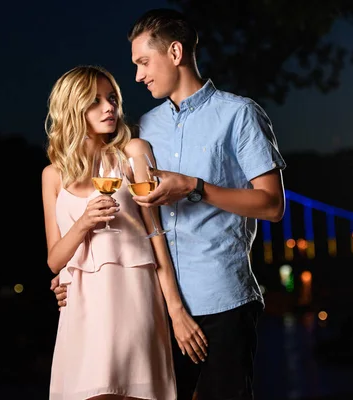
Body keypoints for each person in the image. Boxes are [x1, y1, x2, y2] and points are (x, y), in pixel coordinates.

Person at [53, 9, 288, 400]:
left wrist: (194, 187)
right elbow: (129, 220)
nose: (138, 76)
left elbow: (272, 205)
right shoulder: (142, 129)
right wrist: (70, 277)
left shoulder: (239, 114)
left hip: (222, 300)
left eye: (144, 62)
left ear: (175, 52)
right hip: (153, 306)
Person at [42, 65, 208, 400]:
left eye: (112, 98)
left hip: (133, 295)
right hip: (81, 304)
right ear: (72, 109)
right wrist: (85, 222)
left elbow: (155, 234)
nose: (109, 107)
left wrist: (175, 311)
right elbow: (55, 260)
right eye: (96, 101)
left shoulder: (132, 152)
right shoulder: (52, 175)